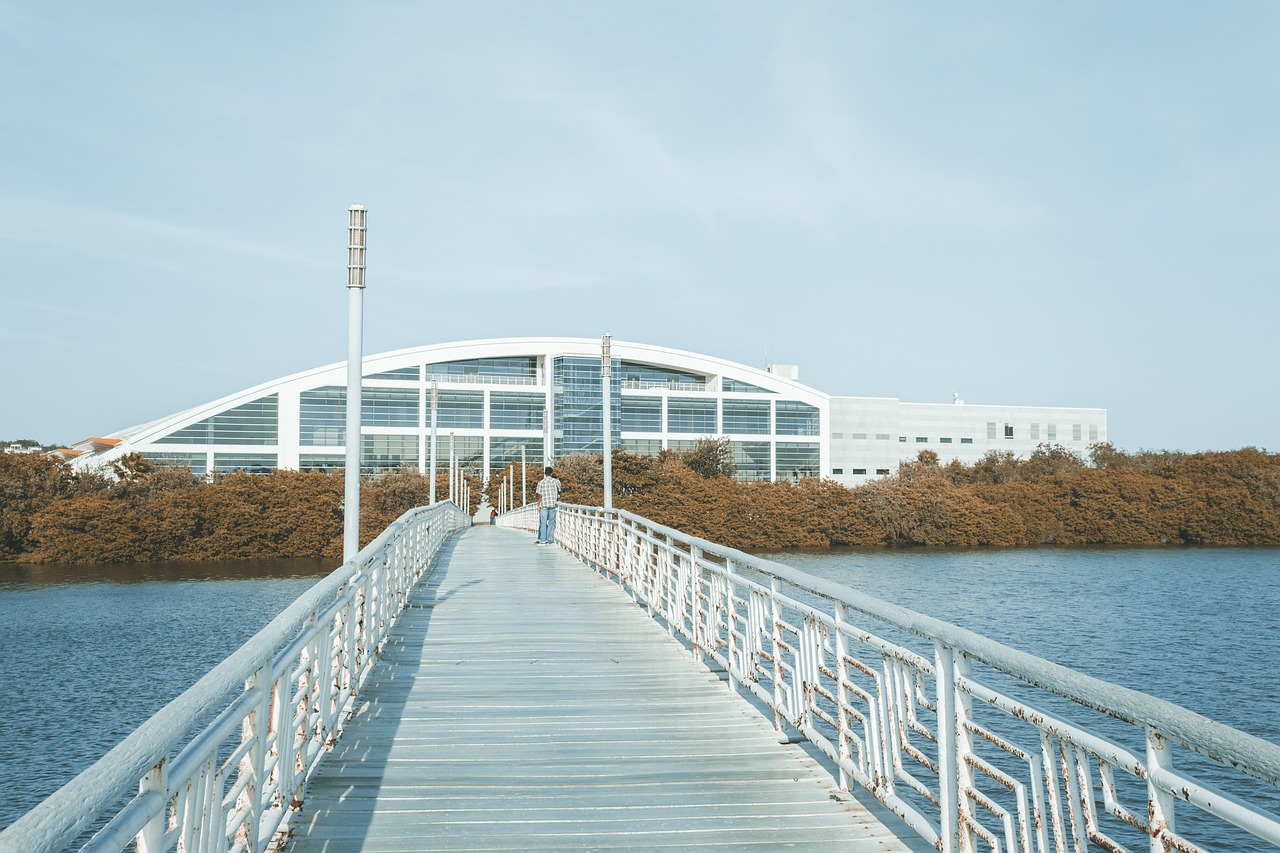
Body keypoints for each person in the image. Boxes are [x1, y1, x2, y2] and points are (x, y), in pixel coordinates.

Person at [534, 465, 561, 545]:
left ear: (545, 473)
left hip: (544, 505)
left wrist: (539, 505)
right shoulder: (556, 481)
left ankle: (542, 539)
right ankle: (547, 538)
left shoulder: (541, 482)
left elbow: (540, 495)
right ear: (551, 473)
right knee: (551, 522)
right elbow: (559, 491)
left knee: (543, 522)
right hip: (553, 504)